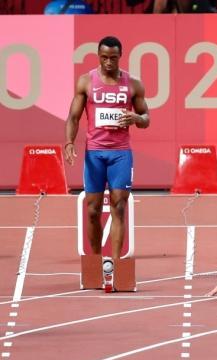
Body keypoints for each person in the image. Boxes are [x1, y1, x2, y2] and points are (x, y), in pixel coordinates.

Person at [64, 36, 150, 260]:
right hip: (94, 153)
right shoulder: (86, 82)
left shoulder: (133, 84)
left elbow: (146, 118)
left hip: (121, 153)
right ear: (98, 57)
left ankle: (114, 264)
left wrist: (135, 118)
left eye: (113, 58)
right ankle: (95, 262)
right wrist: (69, 143)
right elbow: (73, 117)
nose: (108, 62)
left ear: (120, 56)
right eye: (104, 58)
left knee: (118, 206)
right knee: (92, 210)